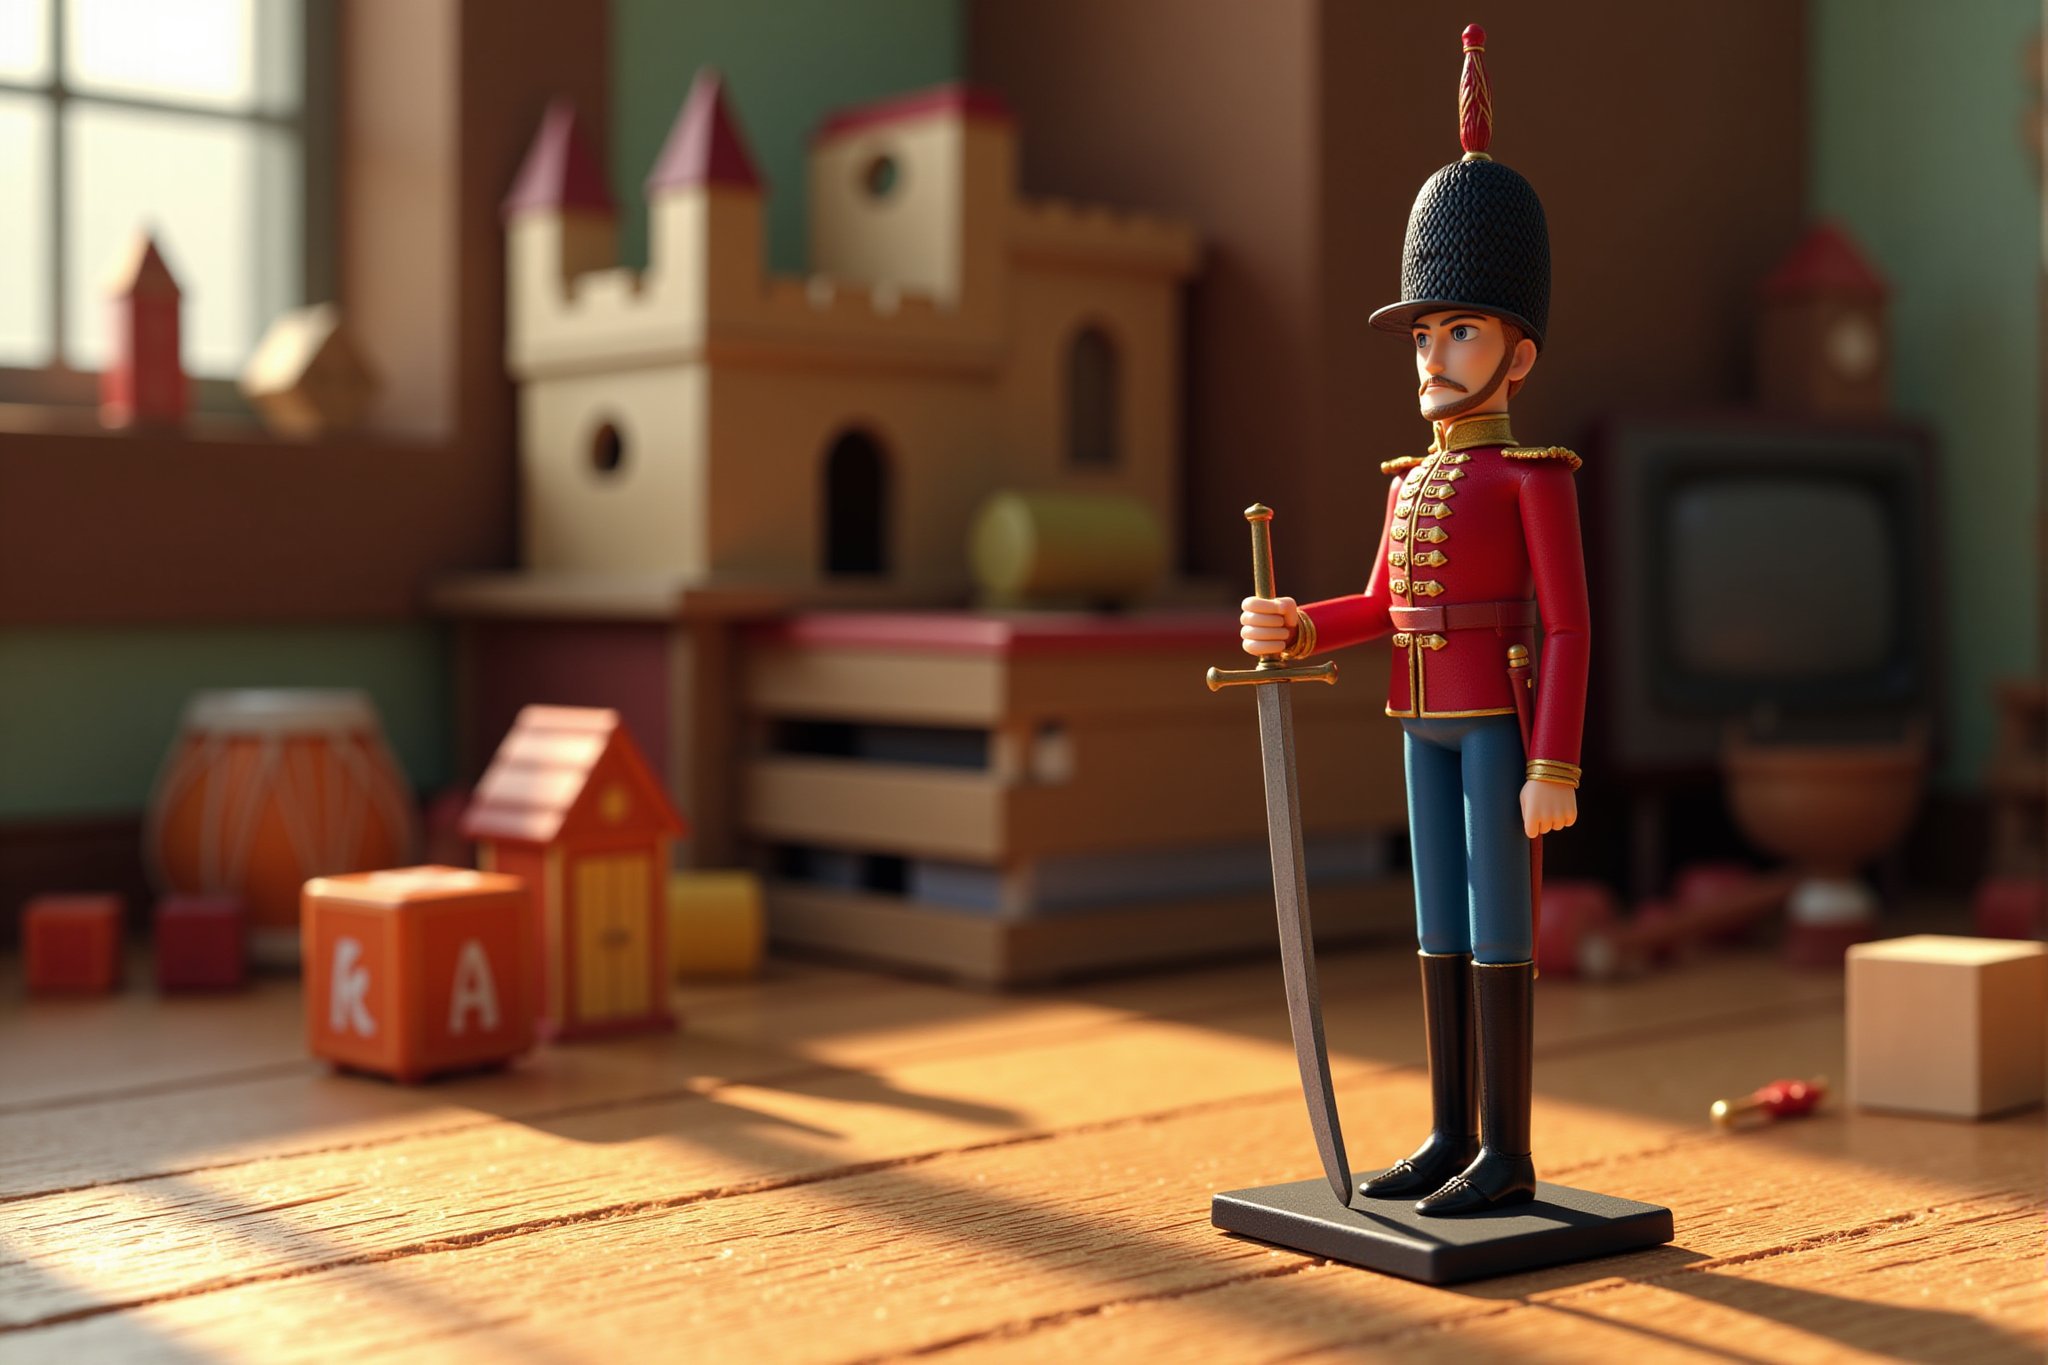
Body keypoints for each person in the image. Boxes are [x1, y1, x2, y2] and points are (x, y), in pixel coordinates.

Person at [1237, 24, 1588, 1217]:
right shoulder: (1408, 479)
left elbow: (1571, 627)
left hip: (1494, 728)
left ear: (1516, 352)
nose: (1434, 357)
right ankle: (1447, 1132)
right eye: (1427, 335)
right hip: (1417, 722)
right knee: (1437, 922)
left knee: (1501, 929)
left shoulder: (1533, 477)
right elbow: (1384, 606)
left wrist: (1551, 761)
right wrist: (1298, 625)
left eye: (1462, 332)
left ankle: (1509, 1149)